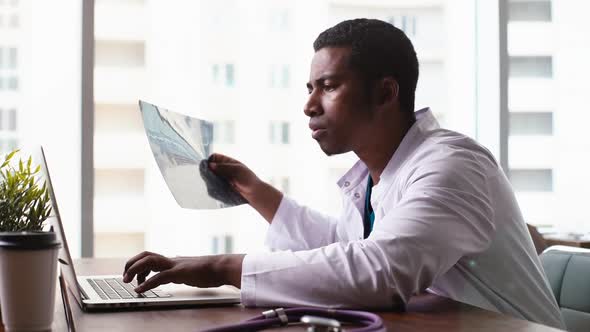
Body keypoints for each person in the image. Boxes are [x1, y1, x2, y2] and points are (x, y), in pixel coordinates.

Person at [123, 19, 565, 329]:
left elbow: (380, 271)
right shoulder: (378, 173)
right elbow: (345, 247)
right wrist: (254, 190)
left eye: (329, 86)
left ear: (385, 92)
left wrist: (223, 266)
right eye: (310, 88)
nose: (309, 105)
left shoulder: (451, 165)